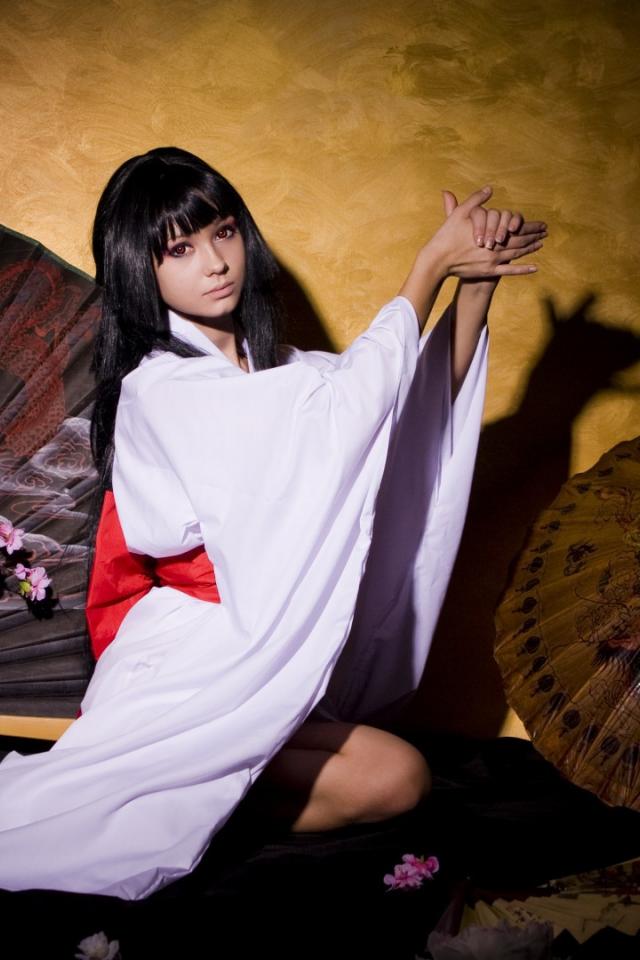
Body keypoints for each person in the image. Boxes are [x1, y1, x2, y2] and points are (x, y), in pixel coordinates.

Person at [0, 147, 546, 900]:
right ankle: (177, 811)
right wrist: (428, 267)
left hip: (257, 645)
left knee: (396, 777)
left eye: (223, 232)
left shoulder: (283, 373)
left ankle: (195, 814)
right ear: (139, 269)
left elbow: (403, 411)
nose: (214, 262)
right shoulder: (164, 386)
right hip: (197, 656)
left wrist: (475, 281)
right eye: (179, 249)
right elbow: (346, 416)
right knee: (393, 777)